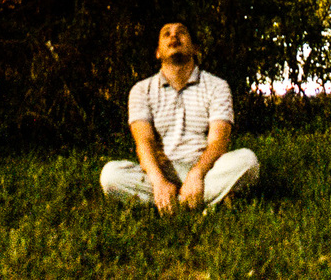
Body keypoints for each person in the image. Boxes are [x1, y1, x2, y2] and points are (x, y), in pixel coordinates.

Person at [99, 21, 260, 212]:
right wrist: (159, 182)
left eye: (181, 32)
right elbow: (144, 142)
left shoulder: (217, 86)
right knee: (111, 175)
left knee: (248, 161)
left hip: (206, 170)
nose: (173, 37)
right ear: (158, 52)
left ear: (195, 48)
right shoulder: (141, 90)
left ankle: (172, 203)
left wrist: (197, 174)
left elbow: (219, 141)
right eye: (166, 34)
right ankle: (199, 199)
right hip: (161, 172)